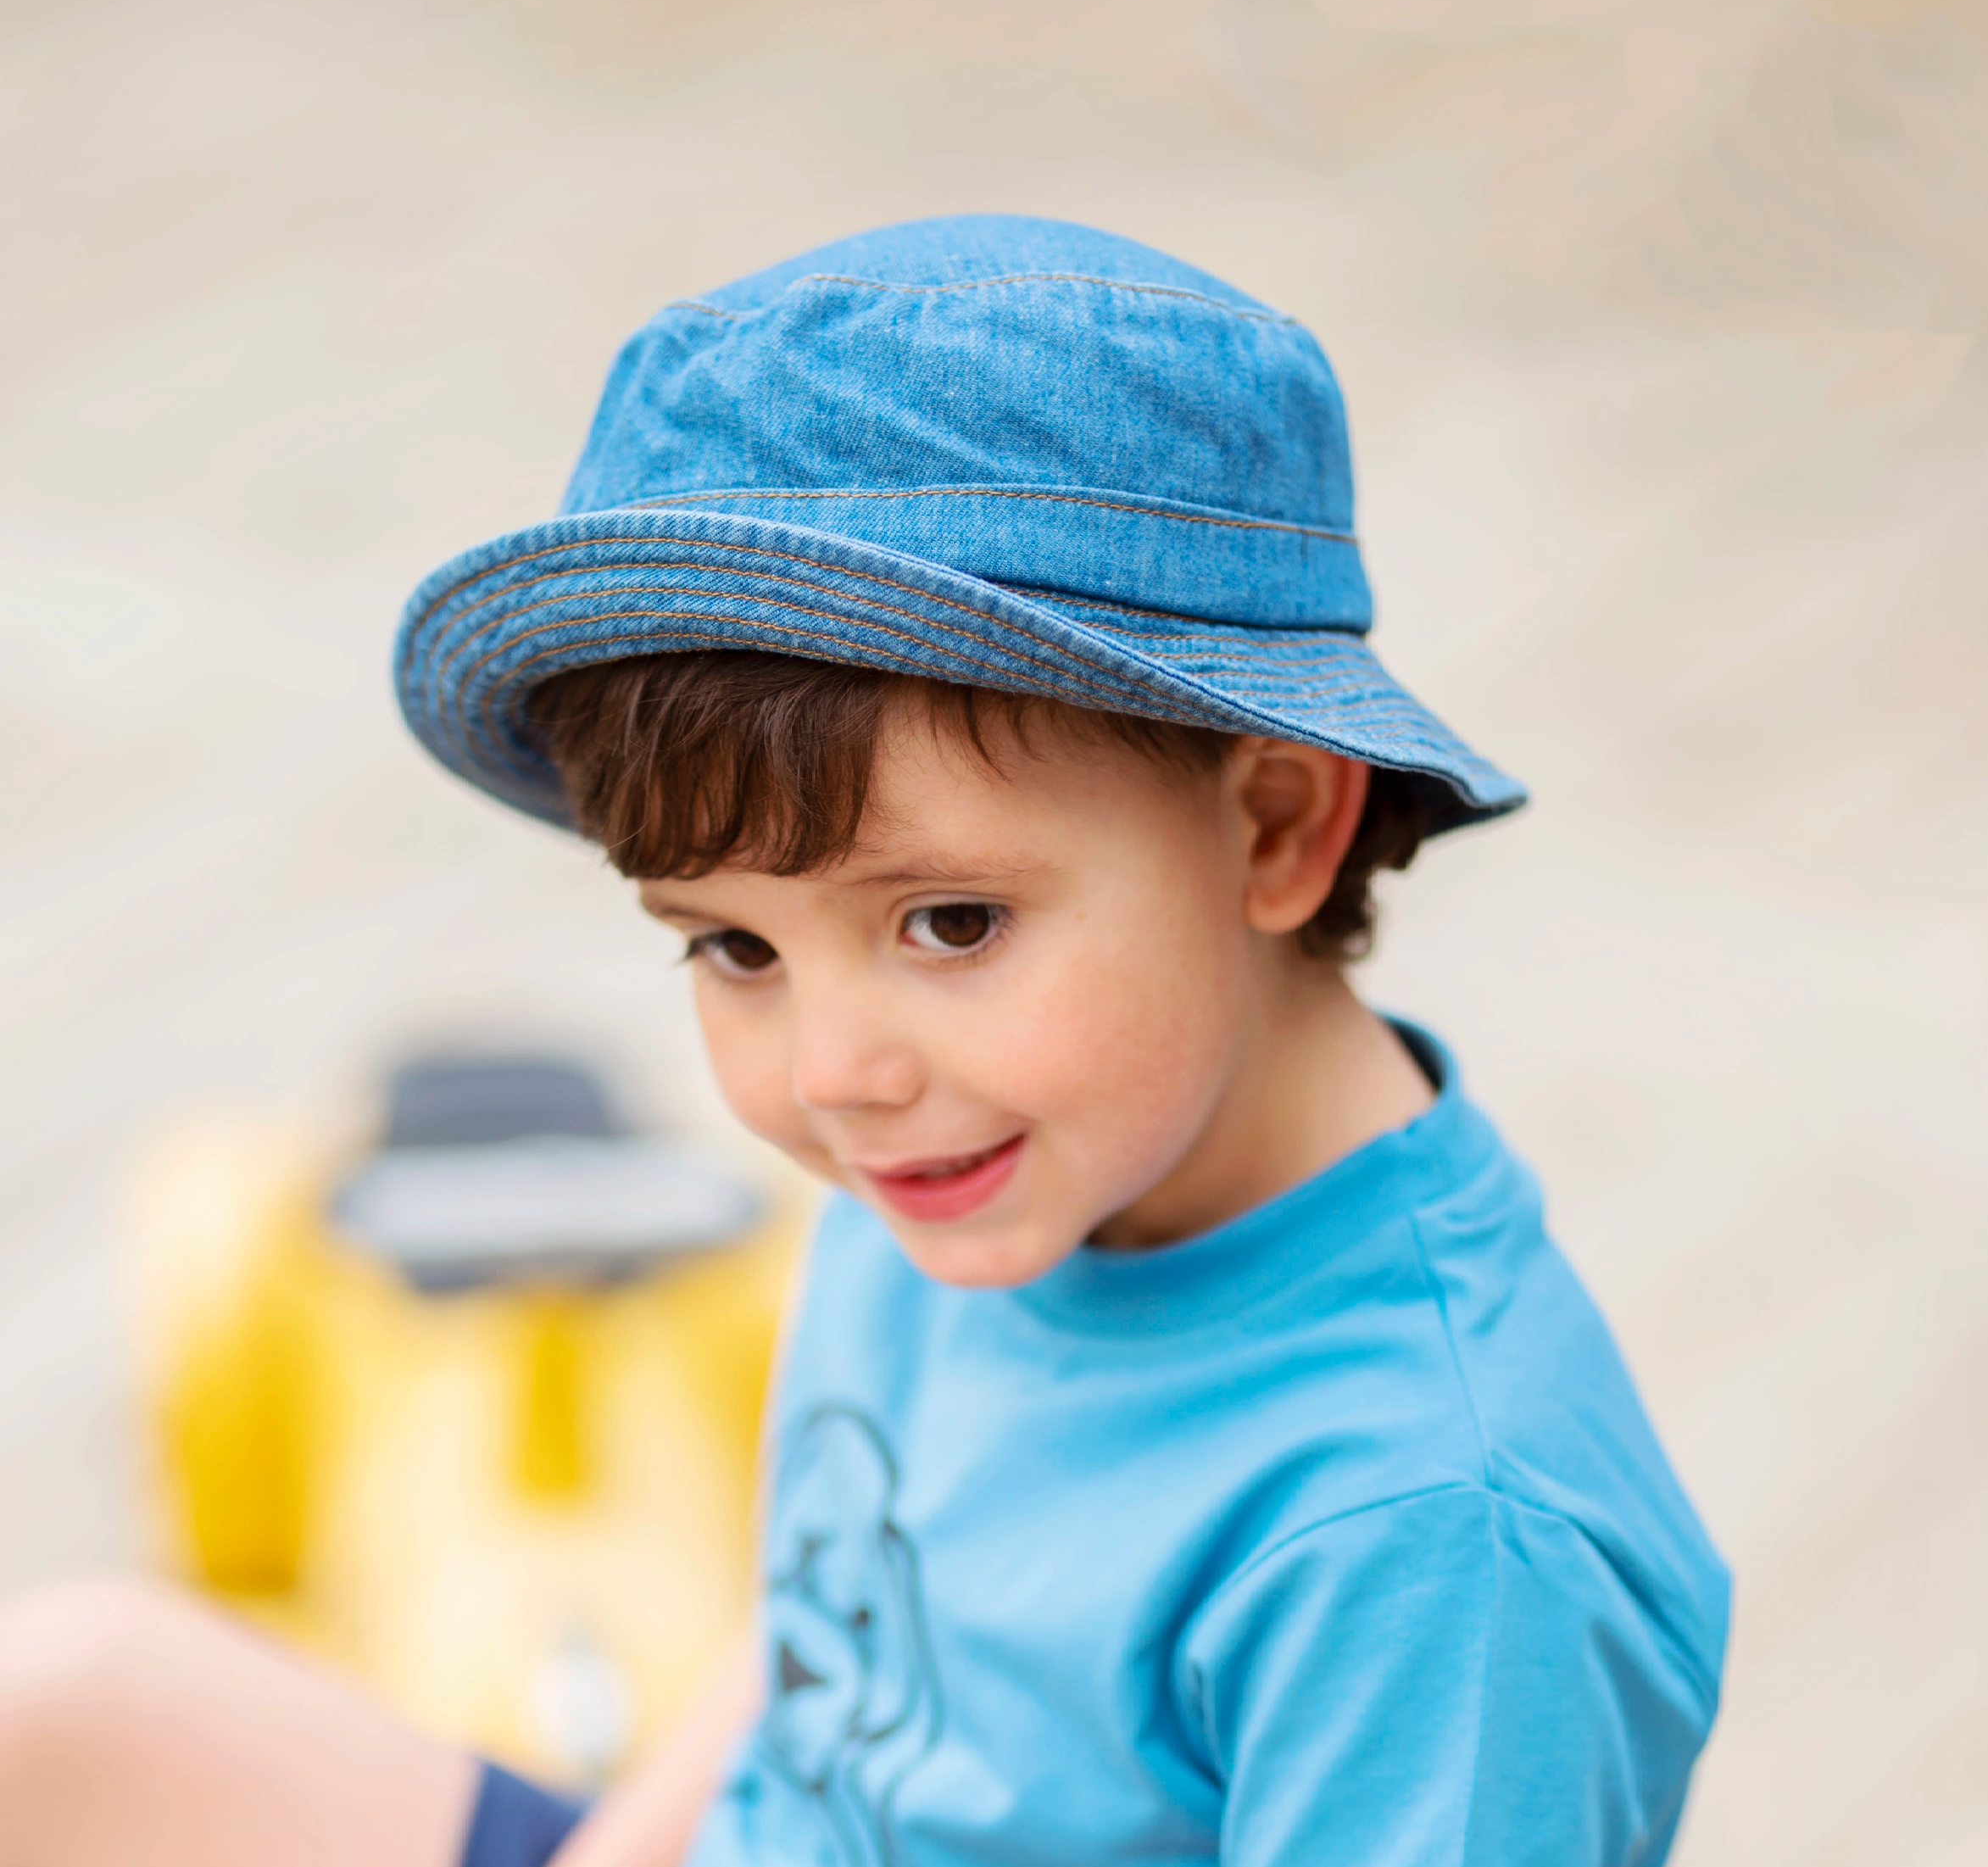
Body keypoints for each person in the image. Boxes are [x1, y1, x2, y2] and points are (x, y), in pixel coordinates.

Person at [0, 216, 1729, 1867]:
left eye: (950, 921)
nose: (831, 1070)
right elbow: (830, 1609)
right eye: (733, 943)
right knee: (60, 1698)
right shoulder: (988, 1149)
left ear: (1273, 824)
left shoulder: (1432, 1532)